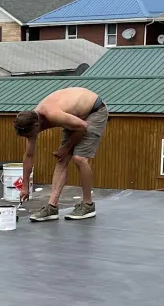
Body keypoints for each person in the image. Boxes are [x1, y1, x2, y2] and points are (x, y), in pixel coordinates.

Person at [12, 86, 109, 221]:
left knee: (79, 158)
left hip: (94, 111)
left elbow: (83, 127)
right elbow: (29, 155)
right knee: (61, 159)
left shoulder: (53, 115)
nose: (30, 137)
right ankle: (52, 207)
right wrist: (24, 186)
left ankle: (88, 205)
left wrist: (67, 147)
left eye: (30, 135)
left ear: (36, 125)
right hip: (74, 117)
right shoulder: (31, 121)